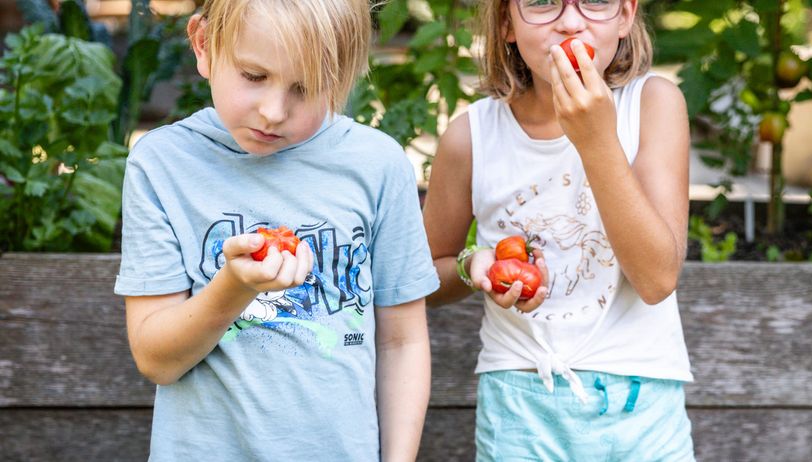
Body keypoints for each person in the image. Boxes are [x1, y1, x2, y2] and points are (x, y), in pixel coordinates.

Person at [114, 0, 438, 460]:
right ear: (204, 45)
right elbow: (155, 360)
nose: (273, 111)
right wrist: (232, 287)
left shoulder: (377, 165)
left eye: (305, 87)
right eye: (254, 76)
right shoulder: (163, 163)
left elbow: (402, 340)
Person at [423, 0, 694, 459]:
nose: (570, 21)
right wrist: (475, 266)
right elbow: (424, 276)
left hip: (641, 405)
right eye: (543, 3)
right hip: (520, 407)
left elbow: (657, 279)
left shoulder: (653, 105)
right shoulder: (472, 137)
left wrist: (595, 139)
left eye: (596, 2)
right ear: (507, 22)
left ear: (626, 15)